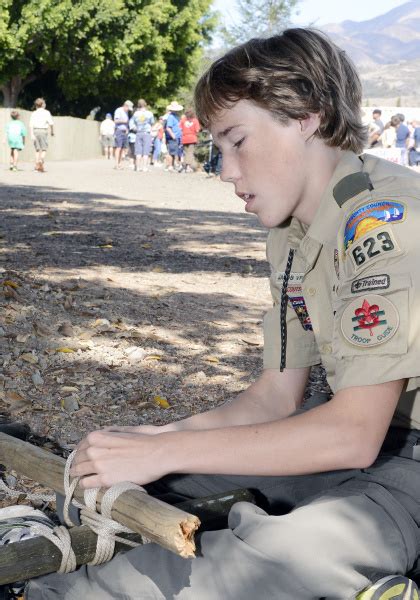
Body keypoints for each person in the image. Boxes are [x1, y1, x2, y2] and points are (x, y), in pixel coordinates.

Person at [27, 28, 420, 600]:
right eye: (217, 148)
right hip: (355, 435)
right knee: (103, 494)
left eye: (237, 141)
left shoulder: (386, 224)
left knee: (274, 555)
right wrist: (149, 439)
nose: (226, 170)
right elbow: (275, 398)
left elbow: (352, 435)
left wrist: (163, 449)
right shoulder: (294, 229)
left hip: (395, 451)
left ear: (306, 115)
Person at [29, 97, 54, 172]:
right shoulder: (47, 112)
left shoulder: (33, 113)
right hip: (43, 131)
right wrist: (52, 131)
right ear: (42, 104)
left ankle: (37, 166)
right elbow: (51, 123)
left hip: (35, 131)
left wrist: (31, 134)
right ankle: (41, 160)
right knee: (44, 148)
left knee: (37, 150)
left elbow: (31, 125)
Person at [131, 99, 155, 172]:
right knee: (146, 151)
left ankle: (138, 167)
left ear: (138, 105)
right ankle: (144, 167)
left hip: (138, 133)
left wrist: (136, 127)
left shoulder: (135, 114)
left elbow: (133, 123)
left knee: (138, 151)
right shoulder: (150, 113)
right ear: (146, 104)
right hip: (146, 133)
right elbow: (152, 122)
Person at [179, 108, 201, 172]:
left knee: (186, 153)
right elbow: (197, 130)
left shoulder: (183, 120)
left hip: (184, 138)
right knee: (190, 153)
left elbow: (180, 128)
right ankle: (186, 166)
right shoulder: (195, 120)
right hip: (192, 138)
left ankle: (185, 167)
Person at [113, 100, 133, 169]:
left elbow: (127, 123)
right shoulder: (118, 110)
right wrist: (124, 121)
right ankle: (116, 164)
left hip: (125, 131)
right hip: (119, 131)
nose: (128, 110)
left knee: (122, 148)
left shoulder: (126, 112)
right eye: (128, 108)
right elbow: (115, 120)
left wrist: (127, 128)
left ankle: (120, 164)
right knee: (118, 147)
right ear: (125, 105)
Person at [164, 100, 183, 171]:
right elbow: (168, 128)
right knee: (172, 152)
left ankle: (174, 165)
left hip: (178, 136)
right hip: (174, 137)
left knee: (176, 152)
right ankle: (170, 166)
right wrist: (173, 135)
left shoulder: (177, 116)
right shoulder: (171, 117)